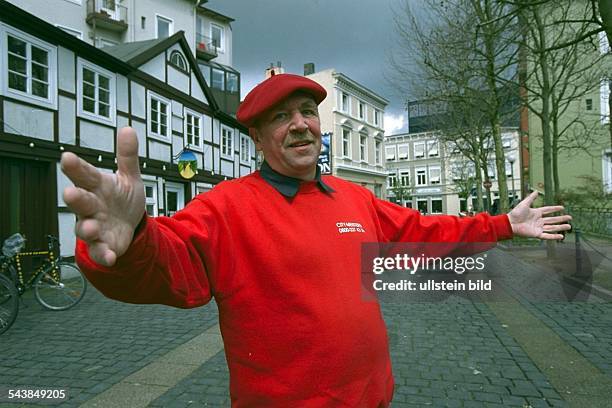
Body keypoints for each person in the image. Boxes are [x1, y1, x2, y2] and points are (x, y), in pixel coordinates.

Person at [60, 74, 571, 407]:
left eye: (307, 111)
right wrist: (128, 245)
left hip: (373, 398)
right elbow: (172, 265)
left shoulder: (352, 197)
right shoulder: (227, 207)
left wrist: (504, 225)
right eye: (280, 117)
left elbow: (425, 232)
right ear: (258, 139)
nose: (300, 124)